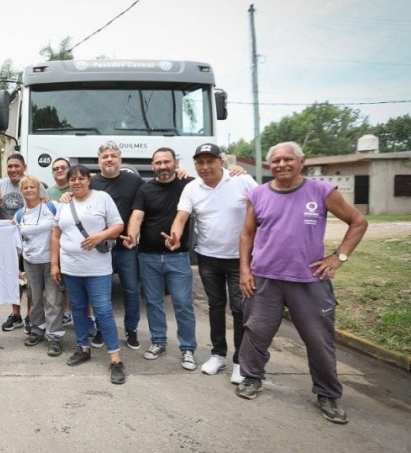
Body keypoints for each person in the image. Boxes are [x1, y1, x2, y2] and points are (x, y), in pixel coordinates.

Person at [235, 142, 367, 425]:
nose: (281, 164)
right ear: (269, 166)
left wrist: (338, 257)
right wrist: (245, 270)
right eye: (276, 161)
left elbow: (358, 222)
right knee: (256, 332)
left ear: (301, 162)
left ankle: (327, 394)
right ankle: (251, 377)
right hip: (264, 280)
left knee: (319, 341)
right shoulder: (257, 195)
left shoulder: (321, 191)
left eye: (288, 159)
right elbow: (246, 235)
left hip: (309, 281)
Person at [166, 143, 258, 383]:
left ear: (221, 162)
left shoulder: (242, 181)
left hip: (240, 258)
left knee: (239, 309)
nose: (205, 167)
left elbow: (264, 208)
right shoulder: (192, 188)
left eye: (210, 161)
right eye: (200, 162)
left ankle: (241, 360)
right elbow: (181, 217)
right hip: (208, 257)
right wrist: (175, 235)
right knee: (216, 306)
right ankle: (218, 354)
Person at [123, 147, 199, 371]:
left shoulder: (189, 184)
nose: (163, 166)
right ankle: (158, 342)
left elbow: (214, 178)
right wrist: (132, 237)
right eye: (158, 163)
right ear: (152, 165)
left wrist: (234, 171)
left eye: (167, 162)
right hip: (148, 257)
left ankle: (187, 348)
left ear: (175, 162)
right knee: (154, 303)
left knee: (183, 304)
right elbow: (137, 215)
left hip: (178, 257)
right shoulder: (145, 189)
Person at [51, 165, 125, 384]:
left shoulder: (102, 198)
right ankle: (83, 348)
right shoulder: (65, 203)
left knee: (102, 311)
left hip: (97, 268)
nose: (76, 182)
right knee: (78, 310)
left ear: (89, 179)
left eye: (81, 178)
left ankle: (115, 359)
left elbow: (119, 225)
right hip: (71, 268)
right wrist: (54, 264)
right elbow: (56, 235)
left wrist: (100, 236)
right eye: (72, 179)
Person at [90, 142, 145, 351]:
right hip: (101, 247)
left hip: (126, 246)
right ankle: (102, 329)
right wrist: (68, 194)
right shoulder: (92, 182)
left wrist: (181, 171)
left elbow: (147, 200)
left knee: (131, 290)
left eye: (113, 155)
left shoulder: (134, 181)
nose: (109, 159)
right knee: (100, 292)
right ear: (99, 161)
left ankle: (131, 329)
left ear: (120, 160)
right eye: (105, 156)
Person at [0, 153, 46, 332]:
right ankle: (16, 315)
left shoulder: (35, 184)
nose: (13, 169)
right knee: (14, 278)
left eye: (16, 166)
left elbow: (45, 206)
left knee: (30, 280)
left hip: (31, 239)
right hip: (9, 240)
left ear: (24, 167)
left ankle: (30, 315)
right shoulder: (1, 185)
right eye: (10, 166)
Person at [15, 175, 65, 357]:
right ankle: (37, 330)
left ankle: (54, 337)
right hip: (30, 262)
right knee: (34, 299)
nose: (29, 190)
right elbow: (17, 242)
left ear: (39, 189)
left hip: (51, 261)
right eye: (25, 188)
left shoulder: (52, 207)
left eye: (32, 187)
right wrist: (17, 267)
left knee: (53, 300)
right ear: (21, 191)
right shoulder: (19, 214)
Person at [45, 157, 74, 328]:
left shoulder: (78, 187)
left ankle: (88, 319)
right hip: (56, 244)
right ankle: (65, 314)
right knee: (59, 283)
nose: (59, 170)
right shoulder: (47, 193)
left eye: (63, 167)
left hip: (76, 244)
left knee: (77, 285)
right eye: (56, 169)